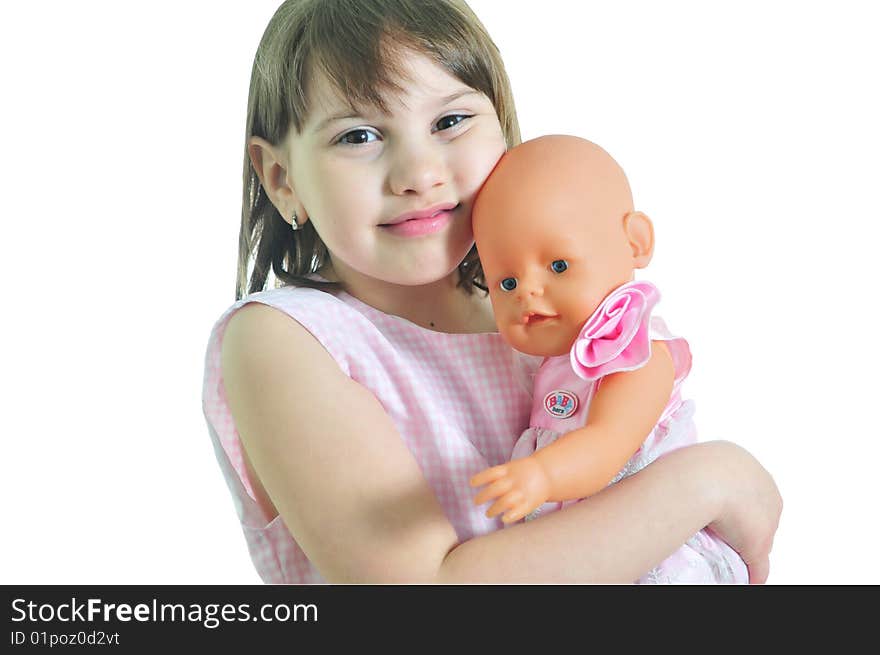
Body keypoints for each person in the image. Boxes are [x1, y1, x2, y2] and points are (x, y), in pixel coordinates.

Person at [202, 0, 782, 584]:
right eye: (358, 135)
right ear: (281, 179)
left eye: (450, 122)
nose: (420, 173)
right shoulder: (290, 340)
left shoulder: (537, 314)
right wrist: (710, 481)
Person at [469, 135, 747, 583]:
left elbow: (606, 445)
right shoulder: (550, 365)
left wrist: (540, 475)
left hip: (656, 552)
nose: (528, 292)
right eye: (505, 283)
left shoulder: (639, 353)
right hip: (587, 551)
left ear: (634, 242)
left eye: (557, 265)